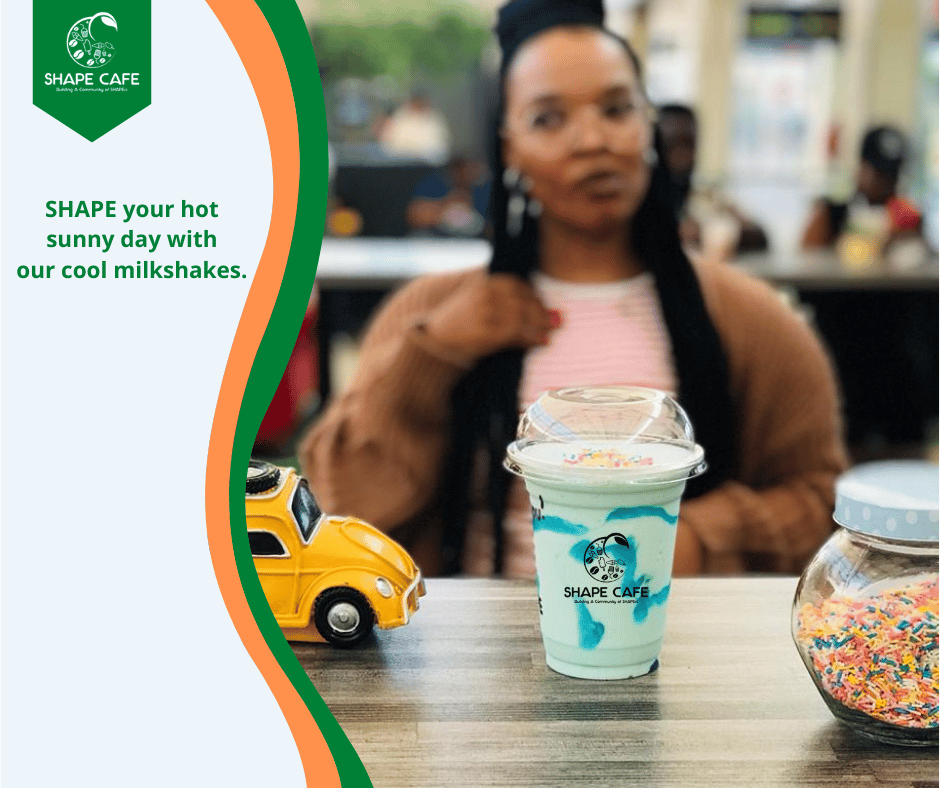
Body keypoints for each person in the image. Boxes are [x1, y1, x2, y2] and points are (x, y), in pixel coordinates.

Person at [300, 0, 846, 578]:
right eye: (548, 119)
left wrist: (702, 537)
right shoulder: (433, 313)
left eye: (616, 109)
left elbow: (823, 504)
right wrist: (432, 353)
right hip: (477, 656)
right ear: (508, 147)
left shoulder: (749, 319)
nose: (592, 140)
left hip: (680, 657)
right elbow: (339, 508)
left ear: (648, 126)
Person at [658, 104, 769, 256]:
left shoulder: (708, 197)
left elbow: (761, 237)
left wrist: (710, 231)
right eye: (670, 145)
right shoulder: (639, 200)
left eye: (689, 144)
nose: (681, 155)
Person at [801, 125, 923, 254]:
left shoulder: (907, 218)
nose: (886, 183)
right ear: (861, 167)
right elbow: (805, 260)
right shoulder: (833, 212)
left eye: (892, 175)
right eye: (879, 173)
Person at [406, 155, 491, 238]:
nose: (468, 171)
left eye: (473, 167)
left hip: (476, 243)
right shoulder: (436, 183)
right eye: (462, 166)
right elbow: (414, 216)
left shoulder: (485, 188)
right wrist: (446, 205)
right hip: (436, 240)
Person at [378, 92, 452, 165]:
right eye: (416, 103)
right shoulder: (400, 118)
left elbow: (440, 147)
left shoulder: (435, 120)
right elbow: (388, 144)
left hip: (427, 167)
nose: (417, 105)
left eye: (420, 103)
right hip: (400, 165)